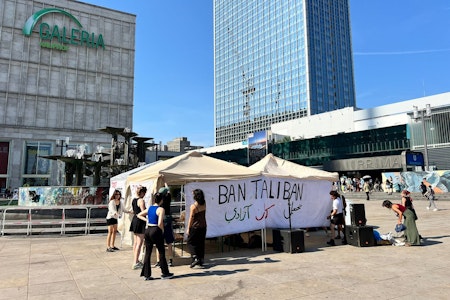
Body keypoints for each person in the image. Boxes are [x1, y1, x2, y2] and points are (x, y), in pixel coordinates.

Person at [137, 192, 174, 280]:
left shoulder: (150, 208)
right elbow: (160, 223)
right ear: (161, 200)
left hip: (148, 230)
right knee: (161, 251)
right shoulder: (161, 209)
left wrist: (146, 220)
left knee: (148, 252)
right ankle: (165, 272)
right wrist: (162, 231)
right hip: (156, 230)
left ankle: (146, 274)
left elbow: (139, 215)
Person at [154, 186, 175, 267]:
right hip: (167, 221)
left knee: (158, 242)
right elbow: (169, 190)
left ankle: (158, 260)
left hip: (159, 221)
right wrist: (165, 181)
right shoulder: (168, 198)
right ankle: (170, 259)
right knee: (169, 242)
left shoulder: (158, 201)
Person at [187, 188, 207, 268]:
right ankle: (201, 259)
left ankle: (195, 257)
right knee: (201, 243)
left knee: (190, 242)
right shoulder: (204, 203)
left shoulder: (194, 206)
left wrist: (188, 228)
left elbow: (191, 218)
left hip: (195, 226)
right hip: (203, 225)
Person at [129, 186, 147, 269]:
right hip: (140, 221)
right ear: (142, 193)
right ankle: (135, 262)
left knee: (135, 242)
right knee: (139, 243)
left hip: (135, 220)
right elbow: (143, 212)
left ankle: (135, 260)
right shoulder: (141, 200)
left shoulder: (134, 200)